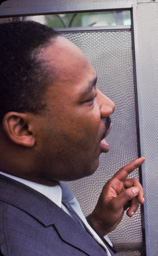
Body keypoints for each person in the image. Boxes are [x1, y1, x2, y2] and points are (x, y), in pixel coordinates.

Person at [0, 21, 144, 255]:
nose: (108, 106)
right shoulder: (20, 247)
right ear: (23, 129)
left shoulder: (36, 191)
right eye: (88, 98)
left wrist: (96, 226)